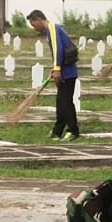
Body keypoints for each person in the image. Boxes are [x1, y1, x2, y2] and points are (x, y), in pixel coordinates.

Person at [28, 9, 81, 141]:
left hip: (67, 72)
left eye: (33, 25)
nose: (34, 28)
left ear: (38, 20)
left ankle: (73, 130)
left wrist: (57, 68)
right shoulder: (51, 30)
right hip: (63, 70)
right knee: (60, 102)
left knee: (66, 102)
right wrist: (55, 68)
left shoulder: (52, 28)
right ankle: (58, 130)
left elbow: (58, 49)